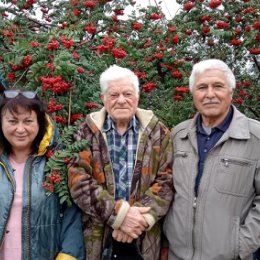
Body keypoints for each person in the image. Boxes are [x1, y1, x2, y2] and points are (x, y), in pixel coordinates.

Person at [68, 64, 173, 260]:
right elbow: (78, 181)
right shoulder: (85, 132)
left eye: (127, 93)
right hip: (98, 236)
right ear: (103, 99)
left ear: (138, 97)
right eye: (114, 95)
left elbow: (167, 180)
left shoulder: (158, 132)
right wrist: (120, 216)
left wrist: (137, 221)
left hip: (144, 236)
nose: (121, 100)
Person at [163, 59, 260, 260]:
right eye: (202, 87)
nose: (209, 94)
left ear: (231, 91)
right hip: (177, 255)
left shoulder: (255, 137)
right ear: (193, 94)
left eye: (218, 86)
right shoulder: (178, 135)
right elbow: (167, 190)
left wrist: (241, 246)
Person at [0, 89, 85, 260]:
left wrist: (68, 254)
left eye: (28, 121)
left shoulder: (56, 163)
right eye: (12, 121)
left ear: (40, 124)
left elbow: (71, 215)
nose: (20, 129)